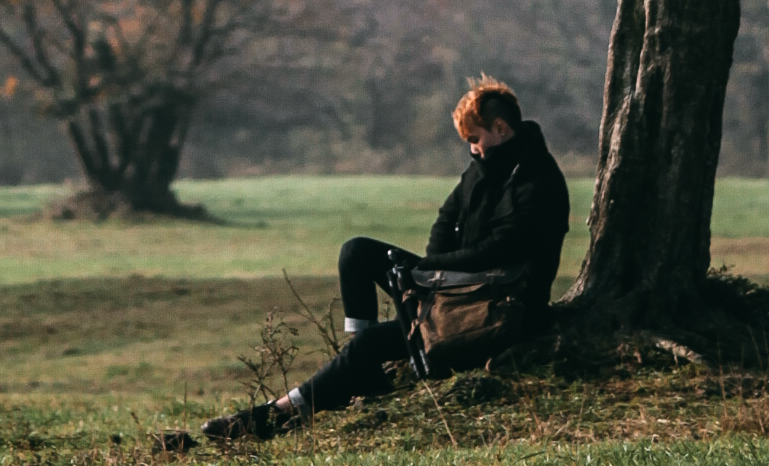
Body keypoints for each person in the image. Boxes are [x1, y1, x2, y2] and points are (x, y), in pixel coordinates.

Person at [203, 78, 570, 440]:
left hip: (495, 307)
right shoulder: (481, 169)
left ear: (501, 128)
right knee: (357, 252)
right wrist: (431, 272)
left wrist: (429, 273)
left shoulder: (538, 181)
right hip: (454, 285)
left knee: (371, 344)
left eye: (475, 139)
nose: (472, 150)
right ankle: (363, 370)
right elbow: (446, 219)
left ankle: (277, 414)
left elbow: (500, 250)